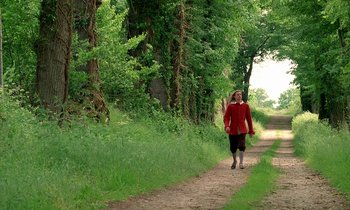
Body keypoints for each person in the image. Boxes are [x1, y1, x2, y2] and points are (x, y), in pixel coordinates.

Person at [224, 90, 255, 169]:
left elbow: (249, 119)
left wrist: (251, 131)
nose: (239, 96)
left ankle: (241, 163)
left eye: (240, 95)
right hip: (232, 130)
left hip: (242, 130)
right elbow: (226, 117)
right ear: (234, 96)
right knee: (233, 147)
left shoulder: (246, 106)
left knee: (242, 146)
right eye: (237, 95)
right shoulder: (230, 106)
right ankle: (234, 161)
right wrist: (227, 126)